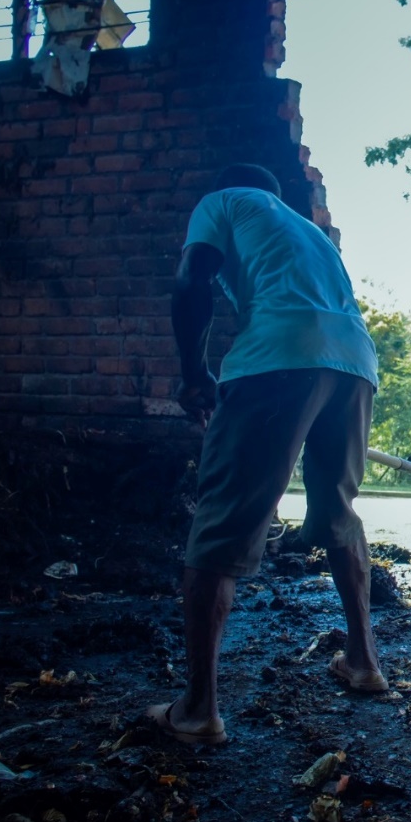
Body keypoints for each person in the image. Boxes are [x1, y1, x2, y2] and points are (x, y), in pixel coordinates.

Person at [149, 163, 385, 746]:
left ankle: (198, 710)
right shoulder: (309, 233)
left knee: (221, 522)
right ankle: (364, 663)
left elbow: (192, 280)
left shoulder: (223, 197)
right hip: (354, 361)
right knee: (338, 511)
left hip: (278, 359)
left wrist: (192, 373)